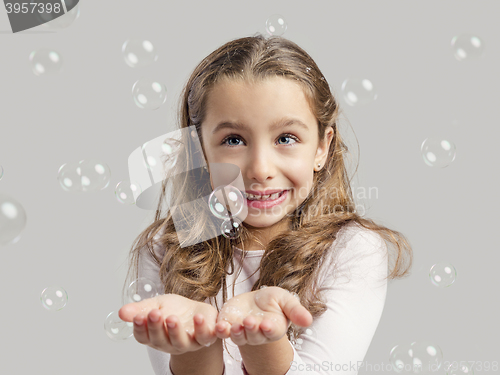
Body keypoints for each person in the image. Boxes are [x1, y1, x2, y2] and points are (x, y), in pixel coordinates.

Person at [118, 33, 413, 375]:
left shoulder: (352, 249)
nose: (260, 169)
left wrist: (263, 343)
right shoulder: (163, 251)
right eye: (233, 140)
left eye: (286, 138)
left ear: (321, 147)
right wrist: (196, 347)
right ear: (199, 150)